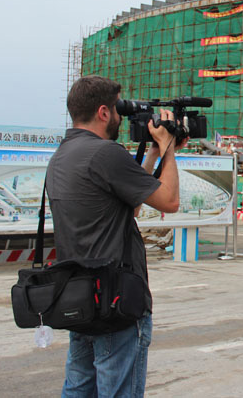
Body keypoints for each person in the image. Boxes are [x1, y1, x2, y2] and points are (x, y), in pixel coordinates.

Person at [46, 75, 182, 397]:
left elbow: (129, 205)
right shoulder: (105, 154)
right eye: (119, 110)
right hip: (116, 303)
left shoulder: (63, 155)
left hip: (79, 297)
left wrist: (151, 155)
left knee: (78, 388)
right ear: (104, 112)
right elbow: (170, 201)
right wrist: (169, 149)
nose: (122, 118)